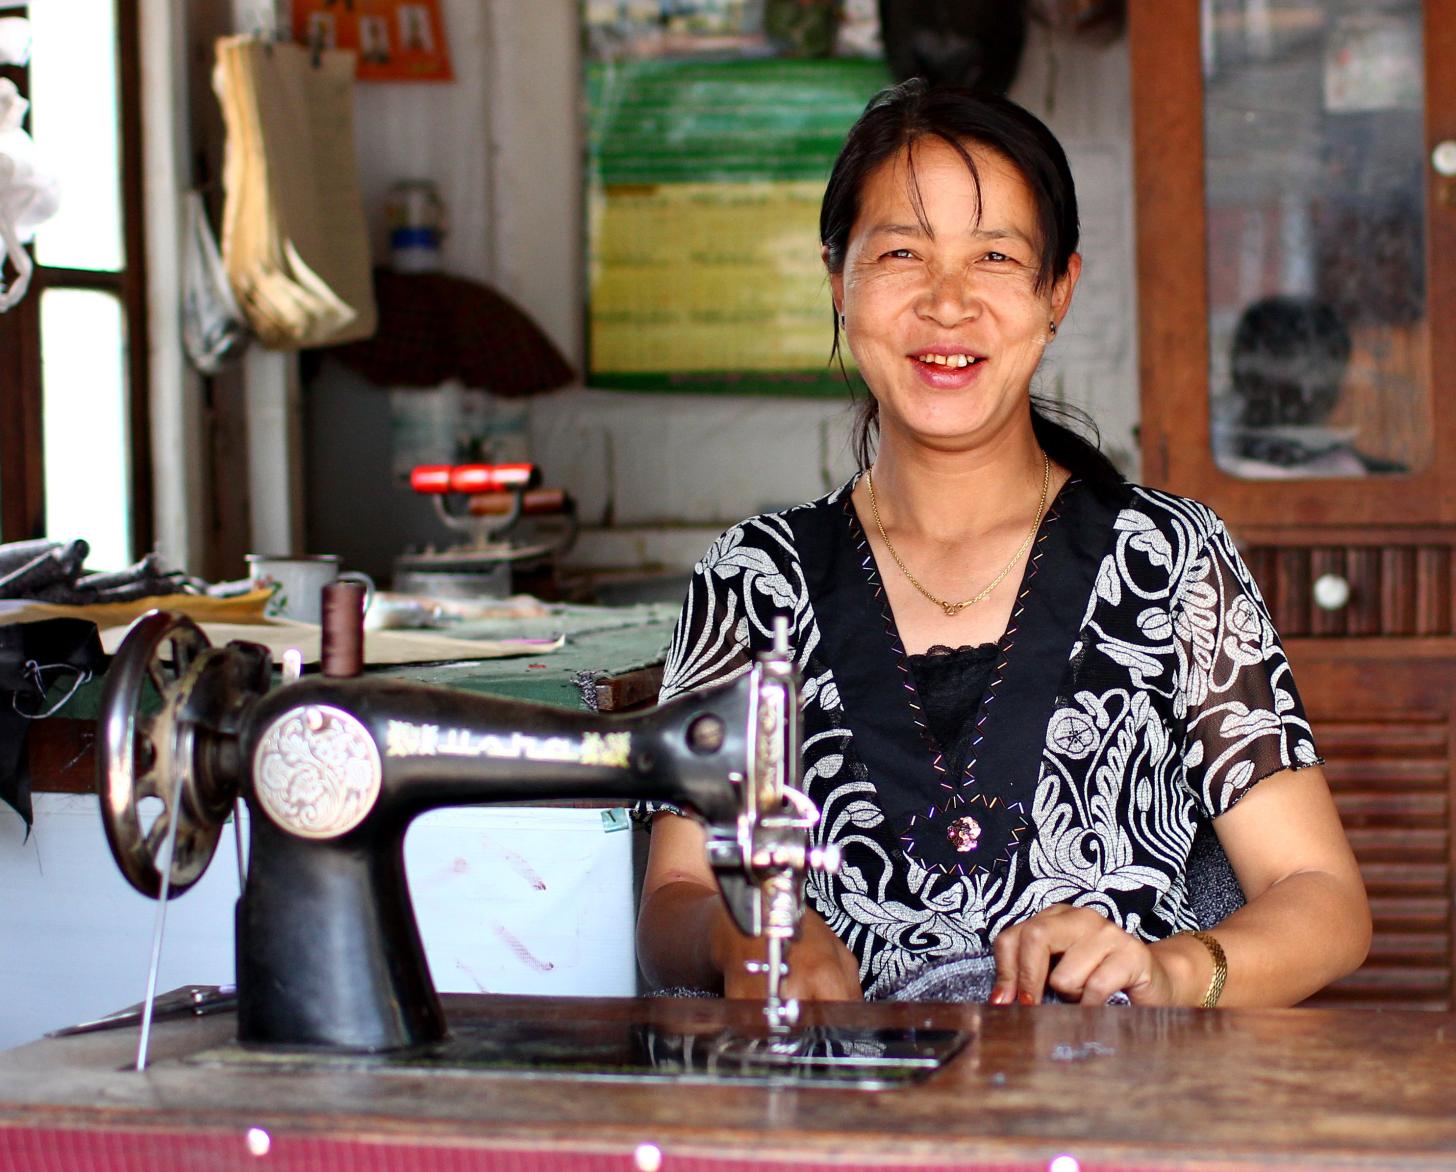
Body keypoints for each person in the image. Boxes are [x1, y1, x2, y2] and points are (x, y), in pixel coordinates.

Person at [636, 81, 1370, 1008]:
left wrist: (1172, 968)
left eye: (995, 257)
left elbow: (1322, 897)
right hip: (846, 1091)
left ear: (1057, 290)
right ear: (838, 281)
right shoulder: (753, 579)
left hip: (1116, 1087)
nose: (948, 304)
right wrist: (745, 936)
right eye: (901, 253)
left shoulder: (1169, 558)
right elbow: (674, 897)